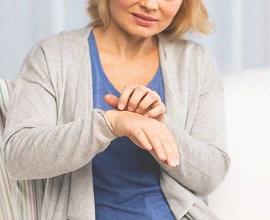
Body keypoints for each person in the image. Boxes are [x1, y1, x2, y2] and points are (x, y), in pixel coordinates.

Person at [2, 0, 231, 219]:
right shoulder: (53, 55)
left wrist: (159, 127)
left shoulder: (196, 61)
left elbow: (210, 176)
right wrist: (108, 125)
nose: (151, 5)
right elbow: (18, 158)